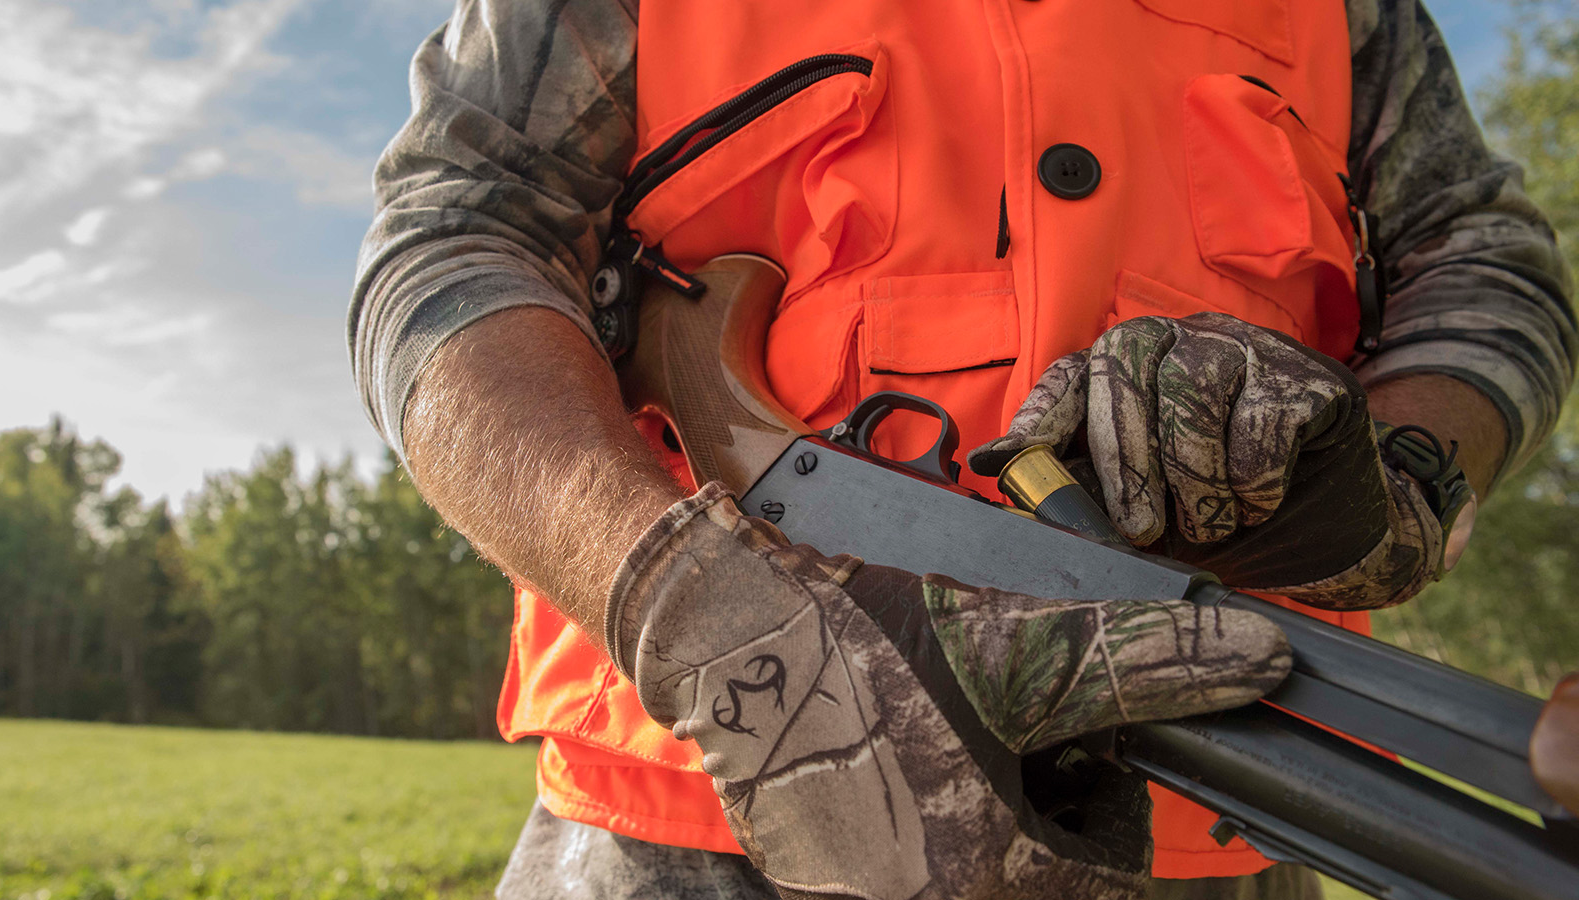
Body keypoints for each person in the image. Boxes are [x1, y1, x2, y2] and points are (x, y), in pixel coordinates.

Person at [348, 0, 1575, 897]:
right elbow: (451, 241)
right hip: (685, 819)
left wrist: (1394, 469)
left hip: (1216, 806)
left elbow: (1484, 262)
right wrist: (695, 605)